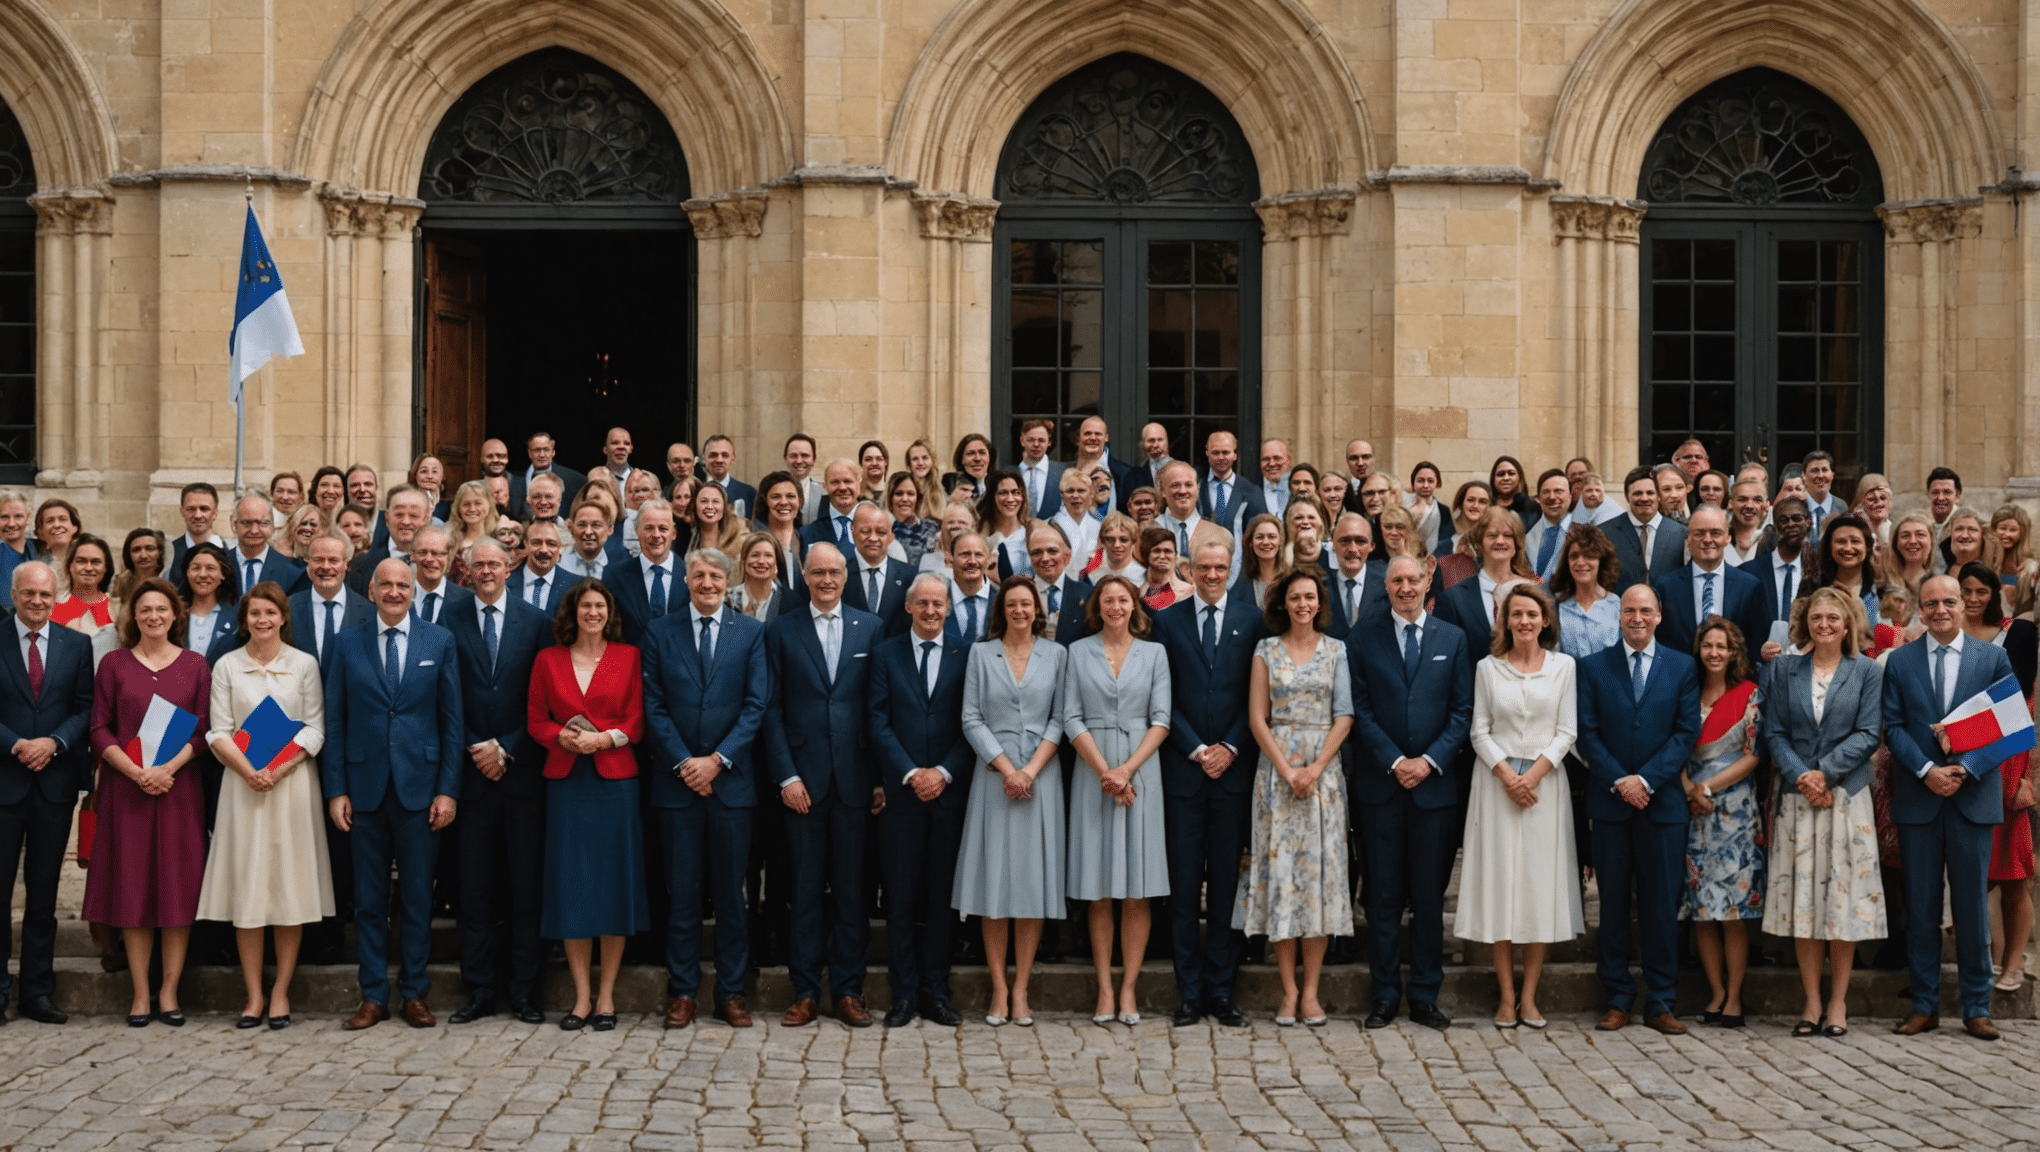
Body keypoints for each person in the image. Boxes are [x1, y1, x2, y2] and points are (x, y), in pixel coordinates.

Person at [321, 558, 464, 1030]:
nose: (396, 592)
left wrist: (447, 790)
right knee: (368, 898)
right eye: (387, 584)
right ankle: (373, 994)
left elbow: (451, 722)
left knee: (418, 897)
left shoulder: (438, 641)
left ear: (412, 591)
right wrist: (335, 788)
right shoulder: (346, 643)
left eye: (404, 585)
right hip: (362, 788)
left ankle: (415, 992)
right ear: (372, 588)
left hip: (420, 789)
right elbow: (335, 721)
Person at [641, 546, 770, 1030]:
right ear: (686, 579)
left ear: (727, 579)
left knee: (733, 895)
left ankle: (731, 992)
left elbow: (756, 705)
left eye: (716, 575)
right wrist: (684, 764)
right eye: (699, 575)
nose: (708, 583)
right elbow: (653, 706)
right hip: (677, 787)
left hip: (731, 785)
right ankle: (682, 992)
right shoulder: (660, 631)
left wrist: (716, 761)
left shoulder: (750, 633)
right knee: (683, 894)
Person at [195, 581, 329, 1030]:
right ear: (245, 619)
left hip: (289, 787)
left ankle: (280, 992)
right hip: (242, 785)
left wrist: (280, 769)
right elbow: (218, 729)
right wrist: (249, 770)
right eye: (255, 614)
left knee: (288, 887)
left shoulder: (304, 665)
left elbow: (314, 729)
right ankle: (252, 994)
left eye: (270, 613)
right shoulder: (227, 666)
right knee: (249, 888)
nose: (263, 621)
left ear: (283, 617)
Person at [761, 543, 884, 1028]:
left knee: (852, 892)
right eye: (818, 572)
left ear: (845, 575)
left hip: (855, 781)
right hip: (803, 784)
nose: (827, 580)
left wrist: (877, 780)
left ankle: (849, 991)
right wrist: (786, 775)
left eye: (835, 572)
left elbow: (878, 709)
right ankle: (806, 990)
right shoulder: (781, 629)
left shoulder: (870, 627)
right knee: (805, 890)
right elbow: (770, 709)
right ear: (805, 577)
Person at [1350, 555, 1474, 1030]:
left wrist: (1428, 761)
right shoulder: (1363, 637)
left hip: (1434, 788)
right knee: (1381, 898)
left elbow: (1462, 711)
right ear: (1387, 586)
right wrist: (1395, 761)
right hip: (1381, 787)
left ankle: (1425, 995)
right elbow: (1360, 708)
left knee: (1428, 898)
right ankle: (1384, 995)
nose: (1405, 588)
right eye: (1397, 581)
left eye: (1413, 580)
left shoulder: (1453, 639)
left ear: (1427, 582)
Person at [86, 577, 212, 1026]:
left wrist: (166, 770)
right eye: (145, 610)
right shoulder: (115, 665)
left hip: (178, 790)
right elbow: (100, 728)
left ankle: (170, 992)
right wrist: (135, 771)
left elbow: (202, 731)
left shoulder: (195, 665)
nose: (154, 616)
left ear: (175, 615)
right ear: (133, 616)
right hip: (128, 790)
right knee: (133, 889)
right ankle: (140, 994)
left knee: (176, 890)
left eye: (161, 609)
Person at [1575, 585, 1700, 1034]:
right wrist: (1621, 782)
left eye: (1646, 610)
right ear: (1618, 616)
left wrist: (1645, 780)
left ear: (1659, 615)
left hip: (1662, 804)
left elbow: (1686, 732)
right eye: (1630, 610)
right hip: (1611, 805)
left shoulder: (1683, 666)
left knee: (1661, 905)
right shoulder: (1592, 668)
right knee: (1611, 907)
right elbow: (1587, 734)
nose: (1638, 618)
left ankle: (1661, 999)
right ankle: (1617, 996)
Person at [1760, 588, 1885, 1038]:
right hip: (1798, 801)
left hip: (1845, 800)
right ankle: (1811, 1001)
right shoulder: (1784, 670)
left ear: (1848, 623)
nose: (1825, 624)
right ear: (1805, 623)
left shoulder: (1866, 671)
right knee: (1804, 902)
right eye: (1817, 617)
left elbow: (1870, 732)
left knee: (1841, 901)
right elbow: (1773, 732)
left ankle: (1838, 1002)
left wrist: (1825, 774)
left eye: (1834, 617)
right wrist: (1802, 776)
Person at [526, 579, 648, 1032]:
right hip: (566, 782)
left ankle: (606, 998)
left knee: (614, 887)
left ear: (609, 612)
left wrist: (603, 738)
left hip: (614, 782)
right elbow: (536, 718)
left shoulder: (628, 657)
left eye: (600, 606)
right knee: (572, 887)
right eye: (585, 606)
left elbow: (636, 719)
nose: (592, 613)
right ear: (572, 613)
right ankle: (579, 998)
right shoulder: (548, 659)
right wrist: (561, 736)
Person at [1232, 567, 1352, 1026]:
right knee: (1282, 880)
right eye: (1295, 598)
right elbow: (1257, 717)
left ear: (1320, 603)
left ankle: (1312, 993)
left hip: (1323, 774)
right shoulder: (1266, 650)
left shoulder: (1337, 650)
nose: (1303, 604)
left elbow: (1344, 715)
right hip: (1277, 773)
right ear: (1283, 603)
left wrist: (1316, 768)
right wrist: (1286, 770)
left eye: (1310, 597)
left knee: (1319, 883)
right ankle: (1287, 990)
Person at [1456, 581, 1579, 1029]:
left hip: (1545, 787)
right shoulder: (1489, 668)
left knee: (1536, 889)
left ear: (1545, 620)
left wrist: (1534, 775)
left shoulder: (1564, 667)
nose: (1524, 621)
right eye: (1516, 614)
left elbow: (1567, 731)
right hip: (1496, 786)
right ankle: (1506, 996)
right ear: (1504, 621)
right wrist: (1508, 774)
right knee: (1501, 887)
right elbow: (1479, 730)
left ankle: (1530, 997)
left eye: (1532, 614)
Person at [441, 540, 552, 1026]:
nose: (486, 571)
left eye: (494, 563)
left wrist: (506, 747)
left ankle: (525, 991)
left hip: (522, 773)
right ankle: (481, 988)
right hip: (471, 776)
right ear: (465, 569)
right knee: (475, 890)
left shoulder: (536, 622)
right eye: (477, 564)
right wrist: (475, 747)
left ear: (510, 566)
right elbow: (445, 698)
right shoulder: (449, 619)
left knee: (525, 889)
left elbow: (544, 696)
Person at [1153, 540, 1260, 1027]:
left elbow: (1256, 697)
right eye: (1204, 567)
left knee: (1224, 888)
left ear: (1230, 569)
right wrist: (1197, 748)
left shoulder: (1251, 620)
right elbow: (1161, 696)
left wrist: (1230, 747)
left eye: (1221, 567)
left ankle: (1222, 990)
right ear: (1188, 569)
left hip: (1233, 772)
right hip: (1184, 772)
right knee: (1182, 890)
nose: (1213, 574)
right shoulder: (1168, 621)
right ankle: (1189, 993)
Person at [954, 575, 1068, 1027]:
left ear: (1036, 609)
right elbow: (970, 717)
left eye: (1027, 604)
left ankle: (1022, 989)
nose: (1020, 611)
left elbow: (1061, 718)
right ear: (1001, 609)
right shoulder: (981, 654)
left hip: (1041, 777)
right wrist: (1007, 769)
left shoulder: (1056, 654)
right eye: (1012, 604)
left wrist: (1030, 771)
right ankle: (999, 988)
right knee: (994, 883)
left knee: (1031, 884)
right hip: (994, 778)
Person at [1061, 575, 1172, 1026]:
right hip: (1093, 770)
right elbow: (1070, 715)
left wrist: (1127, 770)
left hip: (1142, 772)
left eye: (1122, 599)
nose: (1115, 606)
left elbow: (1161, 718)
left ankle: (1129, 988)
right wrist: (1106, 770)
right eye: (1107, 600)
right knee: (1100, 889)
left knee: (1137, 891)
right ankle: (1104, 987)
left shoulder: (1155, 653)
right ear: (1097, 606)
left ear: (1134, 605)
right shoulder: (1077, 651)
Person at [867, 575, 973, 1027]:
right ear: (909, 607)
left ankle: (936, 989)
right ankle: (904, 992)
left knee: (941, 897)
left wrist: (943, 772)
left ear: (949, 608)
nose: (931, 611)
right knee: (903, 898)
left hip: (949, 794)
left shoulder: (967, 655)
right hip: (902, 795)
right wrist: (911, 773)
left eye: (939, 604)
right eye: (923, 603)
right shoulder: (886, 653)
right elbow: (876, 719)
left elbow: (973, 721)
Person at [0, 562, 97, 1024]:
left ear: (57, 597)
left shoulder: (76, 645)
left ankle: (38, 991)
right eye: (28, 593)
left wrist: (53, 743)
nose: (37, 601)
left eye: (45, 594)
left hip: (54, 786)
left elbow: (84, 708)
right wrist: (16, 743)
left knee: (43, 894)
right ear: (14, 593)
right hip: (4, 781)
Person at [1953, 561, 2039, 990]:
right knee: (1972, 869)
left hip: (2006, 760)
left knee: (2013, 871)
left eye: (1980, 590)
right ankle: (1981, 955)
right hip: (1957, 762)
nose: (1972, 599)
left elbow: (2022, 705)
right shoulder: (1942, 638)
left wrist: (2032, 774)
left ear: (1995, 592)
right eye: (1964, 590)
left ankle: (2014, 964)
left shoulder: (2019, 634)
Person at [1678, 616, 1764, 1030]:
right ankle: (1715, 991)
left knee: (1732, 911)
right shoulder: (1686, 692)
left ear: (1734, 653)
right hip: (1692, 810)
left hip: (1734, 813)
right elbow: (1673, 745)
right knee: (1702, 910)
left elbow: (1754, 755)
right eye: (1708, 645)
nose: (1714, 653)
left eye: (1722, 646)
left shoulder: (1749, 695)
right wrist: (1688, 788)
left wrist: (1706, 788)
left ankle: (1734, 995)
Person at [1652, 507, 1767, 659]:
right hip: (1681, 680)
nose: (1707, 540)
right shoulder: (1665, 587)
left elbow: (1754, 646)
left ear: (1728, 538)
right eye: (1699, 533)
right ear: (1688, 539)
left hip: (1732, 680)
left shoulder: (1750, 586)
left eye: (1715, 533)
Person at [1434, 507, 1537, 659]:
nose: (1500, 541)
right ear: (1479, 544)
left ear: (1517, 544)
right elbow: (1445, 659)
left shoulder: (1535, 592)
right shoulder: (1453, 599)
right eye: (1492, 535)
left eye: (1508, 535)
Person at [604, 499, 681, 645]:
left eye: (663, 529)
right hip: (631, 663)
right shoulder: (614, 577)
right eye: (649, 528)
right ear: (636, 530)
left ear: (674, 533)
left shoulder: (691, 576)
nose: (656, 535)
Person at [1603, 467, 1686, 592]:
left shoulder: (1681, 533)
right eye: (1637, 493)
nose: (1644, 498)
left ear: (1658, 496)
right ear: (1627, 497)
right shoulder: (1605, 532)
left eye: (1650, 493)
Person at [843, 502, 916, 636]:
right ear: (853, 533)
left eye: (881, 532)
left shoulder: (909, 576)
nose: (873, 538)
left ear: (890, 537)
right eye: (865, 531)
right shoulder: (840, 573)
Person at [1553, 525, 1622, 662]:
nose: (1580, 562)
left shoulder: (1618, 606)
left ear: (1601, 561)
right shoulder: (1557, 608)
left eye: (1589, 555)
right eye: (1574, 556)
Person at [1027, 520, 1092, 647]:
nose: (1045, 559)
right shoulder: (1018, 594)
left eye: (1052, 551)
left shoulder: (1087, 594)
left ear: (1066, 557)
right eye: (1037, 552)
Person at [1325, 513, 1389, 639]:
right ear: (1333, 544)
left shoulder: (1387, 583)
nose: (1352, 549)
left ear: (1372, 546)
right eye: (1344, 541)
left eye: (1360, 541)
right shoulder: (1320, 587)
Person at [179, 542, 242, 664]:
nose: (202, 574)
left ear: (223, 574)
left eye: (210, 568)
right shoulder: (174, 615)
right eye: (196, 568)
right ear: (187, 573)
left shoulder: (237, 616)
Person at [977, 471, 1032, 580]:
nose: (1010, 499)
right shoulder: (979, 533)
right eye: (1003, 493)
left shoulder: (1029, 534)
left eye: (1016, 492)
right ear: (993, 497)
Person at [728, 532, 791, 622]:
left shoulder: (792, 602)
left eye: (768, 555)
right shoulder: (727, 600)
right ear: (744, 560)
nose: (761, 561)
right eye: (755, 555)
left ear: (776, 562)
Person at [508, 519, 567, 614]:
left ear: (560, 548)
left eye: (551, 544)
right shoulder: (505, 584)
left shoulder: (574, 585)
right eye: (536, 543)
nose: (543, 550)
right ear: (526, 544)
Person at [1525, 470, 1573, 581]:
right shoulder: (1527, 536)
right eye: (1546, 492)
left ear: (1570, 496)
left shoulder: (1584, 532)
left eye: (1558, 491)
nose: (1552, 497)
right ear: (1538, 497)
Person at [886, 472, 939, 567]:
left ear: (918, 498)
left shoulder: (933, 528)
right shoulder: (883, 531)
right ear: (890, 498)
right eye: (899, 493)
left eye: (910, 494)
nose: (905, 499)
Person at [1235, 513, 1287, 607]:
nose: (1266, 542)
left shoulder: (1292, 579)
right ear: (1251, 542)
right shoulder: (1240, 585)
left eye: (1272, 537)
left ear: (1280, 541)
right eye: (1259, 537)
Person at [112, 527, 166, 607]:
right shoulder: (121, 582)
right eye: (136, 550)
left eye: (149, 549)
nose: (143, 556)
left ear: (160, 552)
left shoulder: (168, 579)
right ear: (129, 554)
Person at [1086, 512, 1143, 585]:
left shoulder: (1141, 577)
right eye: (1110, 539)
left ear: (1133, 541)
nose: (1117, 545)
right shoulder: (1091, 574)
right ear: (1103, 541)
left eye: (1124, 540)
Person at [1488, 455, 1535, 526]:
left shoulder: (1533, 508)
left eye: (1511, 473)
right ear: (1493, 479)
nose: (1506, 478)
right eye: (1500, 474)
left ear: (1520, 477)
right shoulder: (1485, 506)